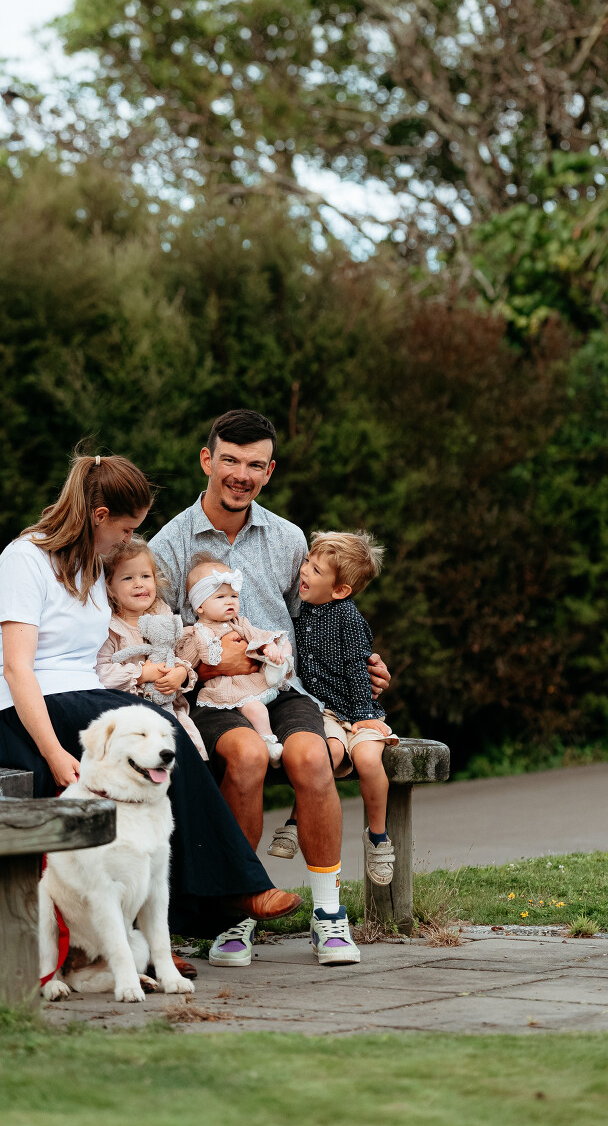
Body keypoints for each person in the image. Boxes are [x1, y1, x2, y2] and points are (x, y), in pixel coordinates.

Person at [0, 450, 300, 939]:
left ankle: (162, 929)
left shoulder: (89, 566)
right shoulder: (25, 560)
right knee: (156, 735)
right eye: (127, 530)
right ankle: (231, 891)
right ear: (100, 516)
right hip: (23, 710)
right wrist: (56, 754)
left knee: (158, 753)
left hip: (84, 699)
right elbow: (17, 670)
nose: (129, 541)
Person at [150, 409, 391, 968]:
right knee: (248, 755)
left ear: (270, 471)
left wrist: (360, 666)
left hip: (284, 689)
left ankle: (328, 913)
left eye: (254, 465)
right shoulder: (169, 546)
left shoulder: (286, 538)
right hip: (213, 696)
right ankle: (239, 910)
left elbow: (313, 622)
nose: (241, 475)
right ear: (207, 460)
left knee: (310, 755)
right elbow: (156, 640)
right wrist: (212, 667)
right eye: (230, 460)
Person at [286, 531, 398, 887]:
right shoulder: (301, 611)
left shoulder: (347, 617)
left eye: (316, 570)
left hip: (358, 709)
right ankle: (295, 820)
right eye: (307, 562)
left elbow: (356, 667)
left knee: (368, 761)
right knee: (327, 754)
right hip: (324, 712)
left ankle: (378, 837)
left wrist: (364, 714)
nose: (304, 571)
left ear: (340, 590)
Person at [95, 536, 208, 760]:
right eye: (128, 578)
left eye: (145, 576)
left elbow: (177, 655)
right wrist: (141, 674)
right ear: (109, 586)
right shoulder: (109, 627)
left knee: (189, 749)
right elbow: (101, 673)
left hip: (168, 706)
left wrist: (181, 673)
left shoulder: (162, 615)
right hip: (130, 709)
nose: (139, 584)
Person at [177, 554, 294, 766]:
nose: (230, 601)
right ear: (200, 606)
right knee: (255, 709)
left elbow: (256, 635)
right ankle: (268, 742)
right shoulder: (198, 634)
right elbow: (186, 662)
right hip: (227, 687)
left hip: (250, 679)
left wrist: (267, 647)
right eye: (220, 597)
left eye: (234, 596)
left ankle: (277, 665)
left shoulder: (239, 622)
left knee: (283, 643)